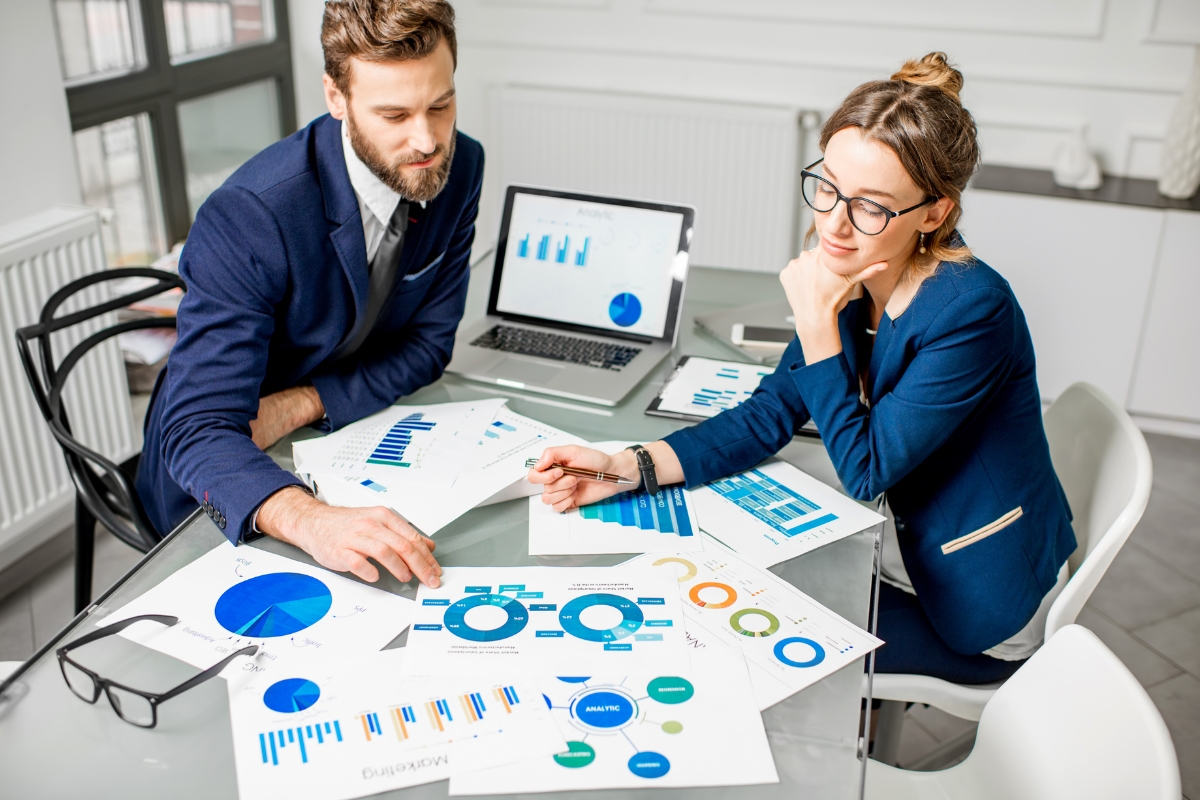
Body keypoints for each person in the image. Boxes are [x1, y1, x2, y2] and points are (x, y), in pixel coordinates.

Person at [529, 53, 1076, 684]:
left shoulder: (972, 310)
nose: (834, 225)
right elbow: (769, 415)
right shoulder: (857, 268)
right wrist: (629, 466)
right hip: (899, 546)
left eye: (871, 206)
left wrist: (817, 327)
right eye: (829, 187)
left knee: (730, 649)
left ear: (934, 213)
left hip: (978, 601)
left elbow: (866, 470)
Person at [136, 0, 487, 589]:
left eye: (441, 105)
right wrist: (308, 517)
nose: (426, 139)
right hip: (231, 475)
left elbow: (429, 346)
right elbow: (197, 428)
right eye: (394, 114)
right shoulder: (252, 213)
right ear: (336, 97)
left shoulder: (459, 166)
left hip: (343, 435)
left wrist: (303, 403)